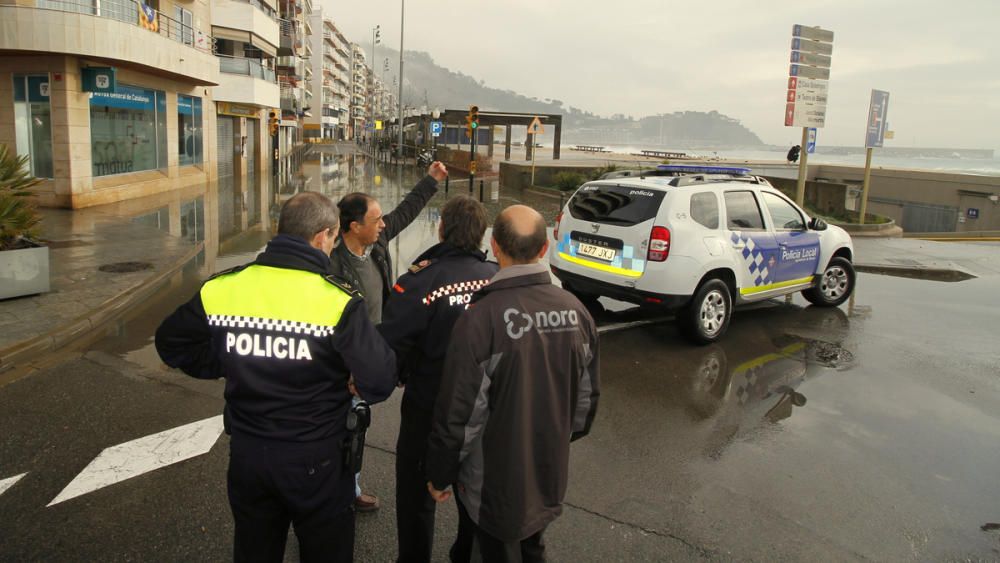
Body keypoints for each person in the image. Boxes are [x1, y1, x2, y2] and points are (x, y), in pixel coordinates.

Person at [155, 192, 397, 563]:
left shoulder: (225, 287)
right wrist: (351, 379)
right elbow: (380, 379)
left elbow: (171, 342)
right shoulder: (337, 301)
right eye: (332, 238)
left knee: (255, 550)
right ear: (322, 237)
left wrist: (229, 359)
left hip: (249, 456)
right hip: (317, 460)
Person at [425, 205, 601, 563]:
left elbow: (460, 415)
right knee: (531, 545)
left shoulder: (481, 319)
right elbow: (584, 407)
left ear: (494, 245)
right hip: (547, 473)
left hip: (492, 485)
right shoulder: (577, 313)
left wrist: (440, 474)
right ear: (544, 249)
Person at [379, 195, 499, 563]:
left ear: (441, 229)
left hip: (428, 407)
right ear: (481, 235)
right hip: (484, 410)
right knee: (476, 495)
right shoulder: (498, 279)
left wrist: (393, 376)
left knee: (415, 497)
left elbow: (391, 346)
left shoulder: (419, 281)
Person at [331, 161, 447, 512]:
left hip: (373, 355)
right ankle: (336, 495)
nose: (383, 225)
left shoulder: (376, 244)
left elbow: (407, 212)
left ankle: (347, 490)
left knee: (357, 426)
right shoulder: (331, 262)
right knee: (341, 428)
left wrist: (431, 181)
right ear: (354, 227)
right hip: (343, 364)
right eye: (376, 220)